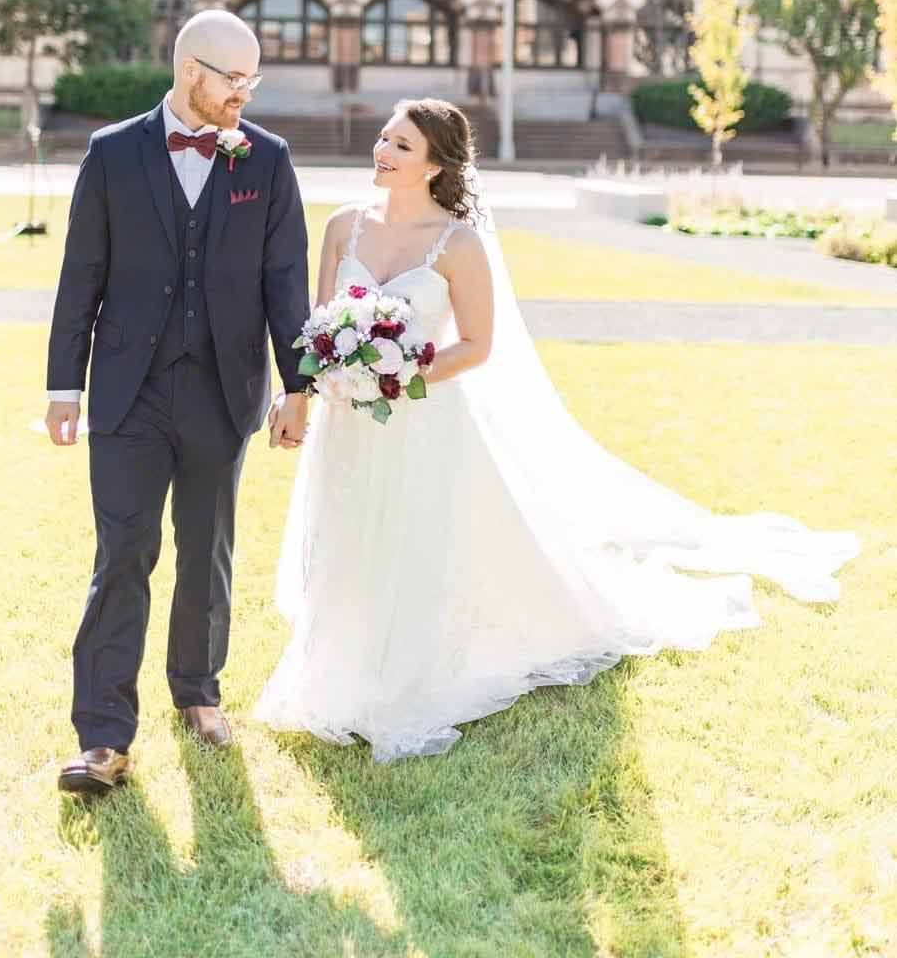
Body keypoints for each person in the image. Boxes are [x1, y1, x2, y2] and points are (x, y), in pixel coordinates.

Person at [254, 97, 860, 764]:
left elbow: (478, 345)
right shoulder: (344, 226)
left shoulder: (457, 242)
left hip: (423, 419)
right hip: (349, 422)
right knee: (347, 532)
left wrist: (402, 376)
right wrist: (316, 388)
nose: (382, 151)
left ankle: (406, 675)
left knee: (414, 535)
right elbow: (320, 325)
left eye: (401, 145)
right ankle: (340, 660)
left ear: (433, 166)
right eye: (384, 139)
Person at [46, 10, 310, 794]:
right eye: (236, 79)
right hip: (128, 392)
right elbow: (80, 276)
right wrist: (66, 385)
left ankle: (197, 692)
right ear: (193, 70)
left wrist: (298, 385)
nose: (245, 94)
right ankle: (102, 737)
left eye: (252, 81)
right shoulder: (112, 154)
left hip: (224, 391)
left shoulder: (267, 160)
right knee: (121, 555)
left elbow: (285, 281)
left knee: (208, 551)